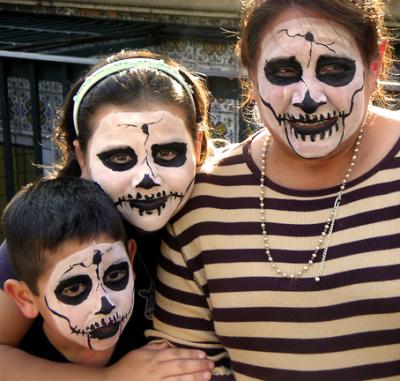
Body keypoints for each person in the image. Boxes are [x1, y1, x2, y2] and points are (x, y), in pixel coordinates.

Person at [146, 0, 400, 380]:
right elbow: (181, 363)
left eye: (333, 70)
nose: (308, 98)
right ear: (250, 74)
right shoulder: (204, 198)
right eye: (283, 72)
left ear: (375, 63)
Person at [0, 49, 215, 380]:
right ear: (82, 157)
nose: (148, 179)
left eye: (168, 152)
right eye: (119, 157)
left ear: (198, 145)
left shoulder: (218, 208)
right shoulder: (52, 230)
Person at [3, 177, 137, 366]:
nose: (104, 304)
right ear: (25, 298)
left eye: (114, 275)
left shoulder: (154, 337)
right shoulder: (19, 363)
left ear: (131, 262)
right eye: (74, 289)